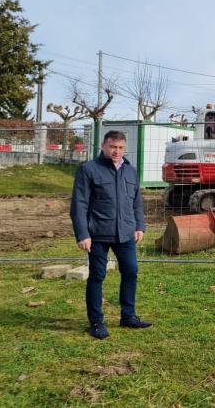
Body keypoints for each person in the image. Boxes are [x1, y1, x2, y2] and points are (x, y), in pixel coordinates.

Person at [70, 130, 152, 339]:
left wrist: (139, 226)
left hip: (125, 234)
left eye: (121, 147)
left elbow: (136, 202)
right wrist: (82, 234)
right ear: (103, 146)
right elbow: (79, 204)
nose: (116, 151)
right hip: (97, 234)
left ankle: (128, 316)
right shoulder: (89, 169)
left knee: (131, 272)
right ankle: (96, 322)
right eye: (112, 147)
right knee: (97, 276)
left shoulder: (130, 171)